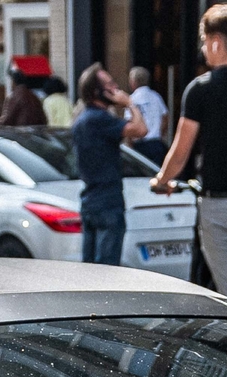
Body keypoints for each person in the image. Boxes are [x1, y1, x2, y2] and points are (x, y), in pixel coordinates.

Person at [151, 3, 227, 308]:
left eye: (205, 42)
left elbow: (181, 151)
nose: (204, 49)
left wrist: (161, 180)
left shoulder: (200, 91)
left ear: (217, 41)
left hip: (219, 208)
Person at [73, 64, 146, 266]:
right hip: (107, 201)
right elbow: (141, 129)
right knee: (107, 270)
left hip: (90, 199)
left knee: (91, 269)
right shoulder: (100, 118)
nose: (116, 88)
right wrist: (130, 103)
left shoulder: (82, 119)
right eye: (110, 84)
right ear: (97, 91)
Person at [127, 66, 167, 143]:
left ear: (133, 82)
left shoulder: (131, 100)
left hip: (139, 144)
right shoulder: (156, 97)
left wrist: (130, 143)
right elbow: (165, 117)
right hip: (156, 142)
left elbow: (129, 122)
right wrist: (160, 134)